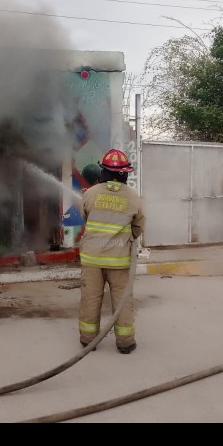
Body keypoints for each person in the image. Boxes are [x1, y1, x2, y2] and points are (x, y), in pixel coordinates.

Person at [78, 148, 145, 354]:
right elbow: (138, 226)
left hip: (92, 259)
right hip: (119, 260)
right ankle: (125, 343)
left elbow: (85, 218)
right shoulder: (133, 197)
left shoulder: (90, 194)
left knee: (90, 299)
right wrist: (125, 239)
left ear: (104, 171)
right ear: (125, 173)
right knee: (122, 301)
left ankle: (88, 340)